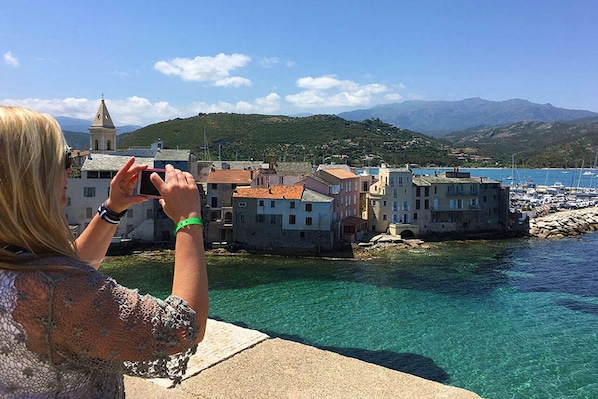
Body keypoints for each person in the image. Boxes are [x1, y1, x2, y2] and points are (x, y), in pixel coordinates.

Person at [0, 106, 208, 398]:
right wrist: (189, 219)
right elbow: (182, 328)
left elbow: (68, 268)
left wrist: (112, 208)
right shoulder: (52, 292)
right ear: (31, 175)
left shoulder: (18, 264)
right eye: (64, 159)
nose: (70, 168)